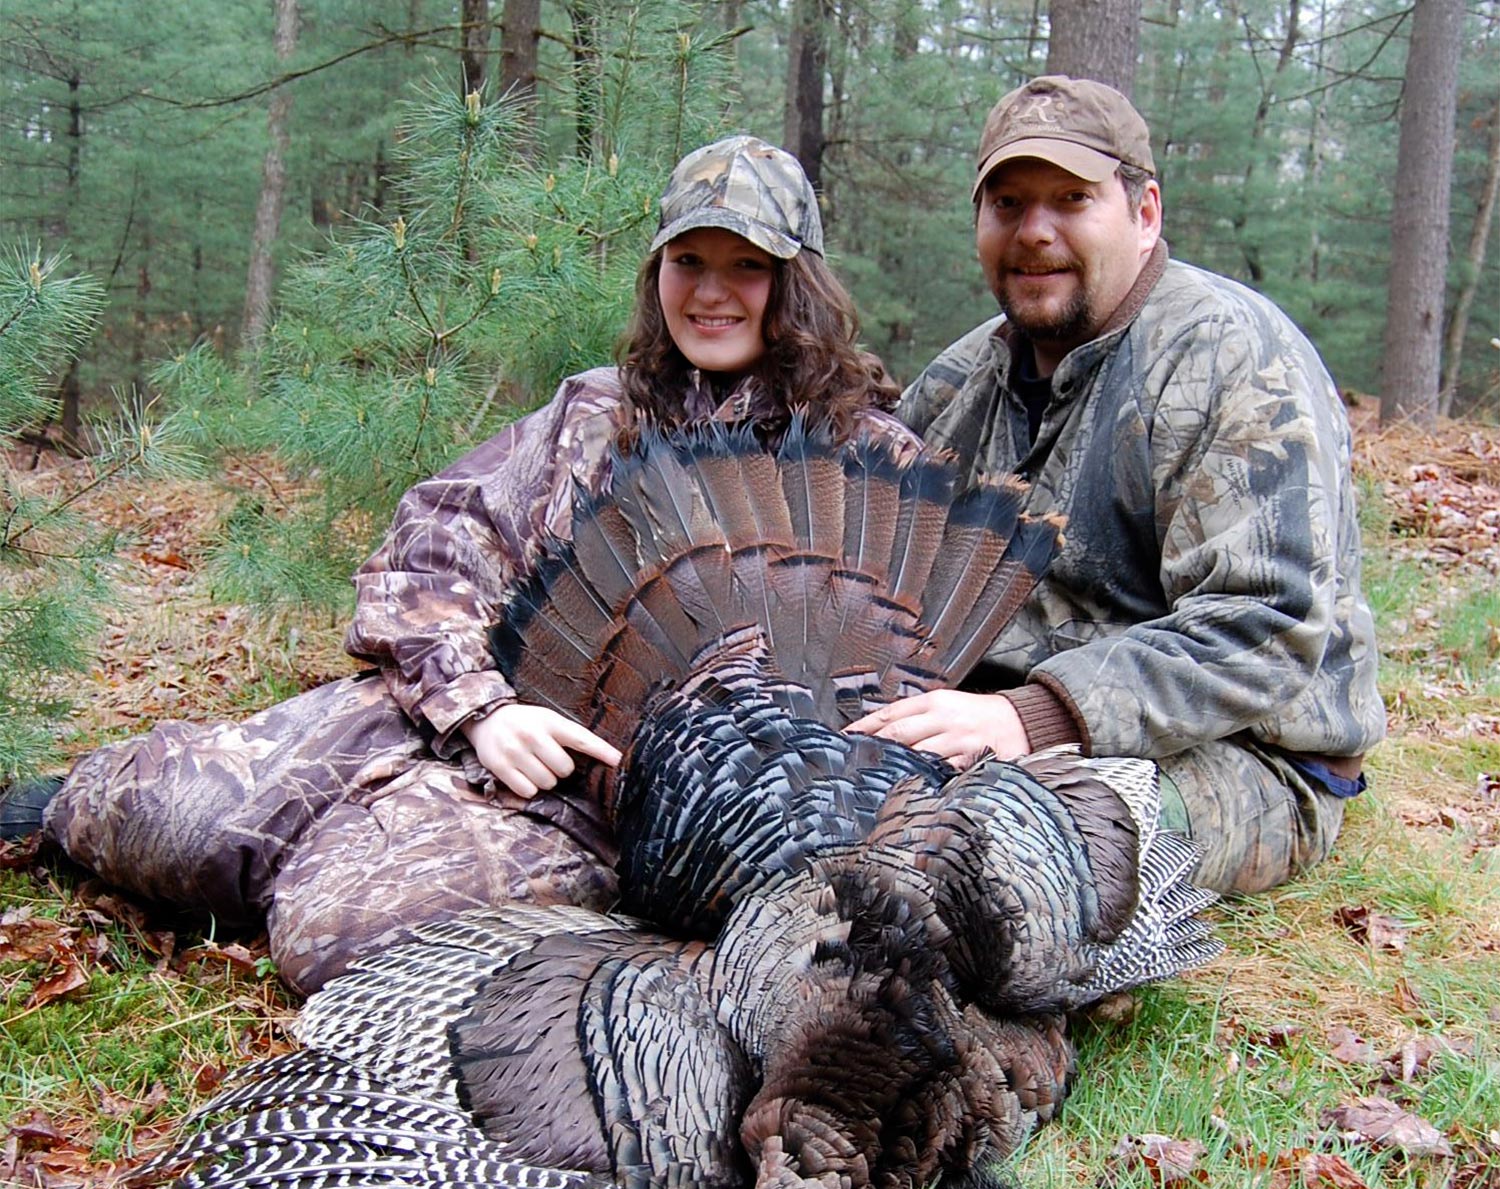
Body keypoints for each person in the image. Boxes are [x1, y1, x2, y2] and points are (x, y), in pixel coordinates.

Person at [13, 136, 911, 995]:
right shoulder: (592, 412)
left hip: (603, 812)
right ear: (657, 273)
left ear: (797, 285)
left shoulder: (866, 459)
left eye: (746, 267)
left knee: (340, 935)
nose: (712, 293)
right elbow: (429, 553)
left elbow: (902, 695)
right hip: (457, 719)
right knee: (163, 817)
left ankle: (389, 871)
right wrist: (480, 709)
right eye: (689, 263)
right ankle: (67, 815)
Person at [847, 75, 1385, 894]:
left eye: (1071, 199)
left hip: (1242, 755)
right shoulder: (965, 379)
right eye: (1008, 205)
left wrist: (1031, 717)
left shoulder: (1228, 357)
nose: (1035, 233)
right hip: (994, 727)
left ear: (1144, 213)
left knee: (1002, 863)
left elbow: (1263, 628)